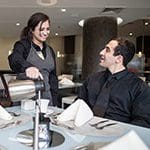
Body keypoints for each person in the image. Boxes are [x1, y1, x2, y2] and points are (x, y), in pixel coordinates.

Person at [77, 37, 150, 128]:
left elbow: (143, 121)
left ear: (119, 59)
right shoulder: (92, 79)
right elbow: (78, 105)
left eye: (107, 50)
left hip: (119, 138)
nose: (101, 52)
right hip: (84, 132)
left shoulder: (139, 87)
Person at [8, 12, 58, 106]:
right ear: (32, 30)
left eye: (47, 29)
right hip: (25, 99)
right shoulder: (23, 45)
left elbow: (53, 78)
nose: (45, 32)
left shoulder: (50, 50)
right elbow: (14, 59)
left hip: (46, 99)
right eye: (41, 29)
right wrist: (28, 67)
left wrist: (55, 101)